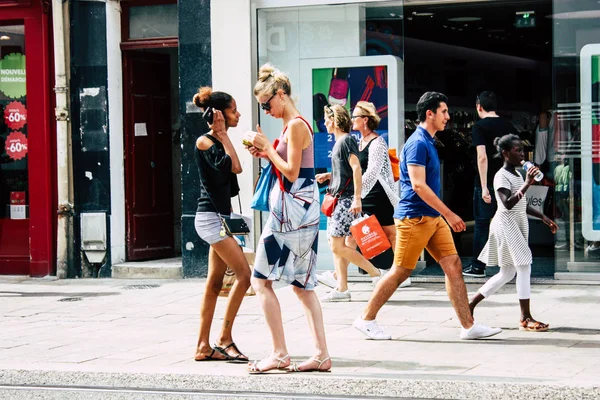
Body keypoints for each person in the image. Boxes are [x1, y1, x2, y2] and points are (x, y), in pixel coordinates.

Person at [353, 91, 502, 340]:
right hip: (415, 218)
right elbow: (418, 185)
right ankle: (366, 318)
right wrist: (450, 214)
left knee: (453, 265)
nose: (448, 116)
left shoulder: (429, 140)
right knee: (400, 271)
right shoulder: (417, 143)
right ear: (430, 114)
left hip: (431, 217)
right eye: (443, 111)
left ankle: (468, 325)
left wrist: (442, 215)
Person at [245, 64, 331, 373]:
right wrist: (266, 152)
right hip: (298, 210)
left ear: (280, 95)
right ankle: (321, 354)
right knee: (301, 285)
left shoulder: (295, 125)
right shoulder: (292, 125)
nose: (265, 110)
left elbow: (293, 172)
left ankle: (280, 352)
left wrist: (268, 148)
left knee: (260, 281)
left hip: (290, 213)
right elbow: (289, 166)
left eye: (266, 104)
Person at [317, 101, 410, 290]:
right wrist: (331, 176)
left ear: (365, 120)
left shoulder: (377, 142)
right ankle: (338, 277)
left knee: (391, 233)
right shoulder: (358, 141)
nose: (351, 120)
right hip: (363, 194)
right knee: (352, 237)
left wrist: (356, 195)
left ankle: (399, 273)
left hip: (378, 195)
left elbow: (371, 171)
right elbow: (351, 170)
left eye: (355, 117)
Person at [469, 134, 558, 332]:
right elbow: (507, 204)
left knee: (507, 272)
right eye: (517, 150)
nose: (522, 154)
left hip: (516, 223)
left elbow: (521, 204)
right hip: (506, 224)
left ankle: (470, 305)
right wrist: (528, 183)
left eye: (522, 150)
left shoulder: (517, 175)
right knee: (524, 265)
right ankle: (525, 317)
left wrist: (543, 217)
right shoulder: (501, 176)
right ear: (505, 154)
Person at [192, 87, 251, 362]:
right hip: (211, 219)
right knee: (244, 276)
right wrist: (224, 135)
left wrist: (225, 136)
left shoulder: (217, 141)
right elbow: (236, 167)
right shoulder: (206, 142)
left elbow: (235, 168)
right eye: (233, 110)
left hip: (220, 217)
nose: (237, 114)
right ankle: (224, 339)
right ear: (217, 115)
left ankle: (203, 346)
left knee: (215, 283)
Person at [315, 104, 383, 303]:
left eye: (327, 119)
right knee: (336, 244)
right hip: (340, 199)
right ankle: (342, 287)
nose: (324, 123)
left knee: (337, 246)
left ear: (335, 121)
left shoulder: (345, 141)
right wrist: (330, 175)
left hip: (345, 201)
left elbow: (356, 168)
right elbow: (347, 169)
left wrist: (357, 198)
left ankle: (375, 273)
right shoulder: (341, 142)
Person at [463, 91, 518, 278]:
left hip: (488, 183)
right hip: (508, 182)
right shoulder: (509, 125)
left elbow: (482, 156)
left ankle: (478, 266)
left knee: (482, 224)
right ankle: (517, 264)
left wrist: (485, 186)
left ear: (479, 106)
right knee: (510, 223)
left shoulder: (479, 127)